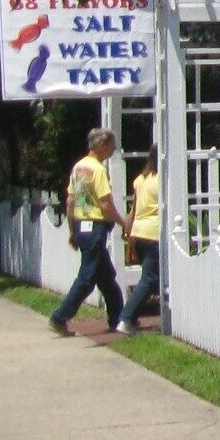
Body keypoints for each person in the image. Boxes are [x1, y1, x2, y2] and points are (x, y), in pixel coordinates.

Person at [49, 127, 126, 336]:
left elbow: (71, 201)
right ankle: (60, 316)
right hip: (95, 226)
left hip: (82, 226)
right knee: (87, 277)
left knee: (106, 276)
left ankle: (118, 318)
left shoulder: (78, 167)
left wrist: (73, 231)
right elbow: (105, 204)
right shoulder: (98, 170)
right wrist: (123, 223)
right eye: (111, 144)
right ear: (102, 145)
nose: (114, 148)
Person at [116, 156, 161, 335]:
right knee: (149, 279)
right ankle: (126, 318)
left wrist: (128, 229)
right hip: (153, 232)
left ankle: (131, 318)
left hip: (139, 232)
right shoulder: (161, 180)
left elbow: (134, 208)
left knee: (151, 277)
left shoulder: (140, 180)